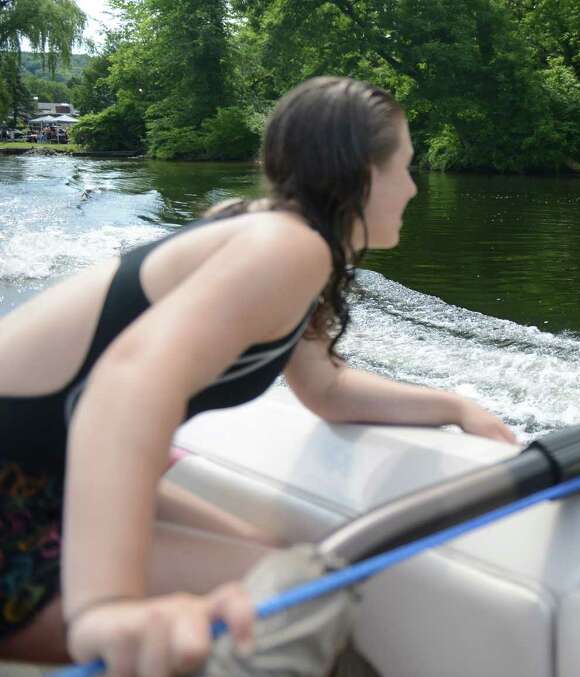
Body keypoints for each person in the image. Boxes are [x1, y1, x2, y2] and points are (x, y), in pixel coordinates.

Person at [0, 76, 517, 672]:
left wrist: (454, 407)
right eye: (405, 166)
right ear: (362, 174)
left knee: (283, 564)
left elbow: (326, 389)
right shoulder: (286, 247)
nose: (413, 187)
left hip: (48, 483)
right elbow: (127, 381)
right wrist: (106, 605)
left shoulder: (275, 235)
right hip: (18, 503)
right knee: (301, 595)